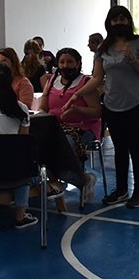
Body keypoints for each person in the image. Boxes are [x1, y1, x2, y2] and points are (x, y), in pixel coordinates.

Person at [64, 6, 139, 209]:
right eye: (115, 20)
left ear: (129, 21)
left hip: (136, 103)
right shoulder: (103, 49)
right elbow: (96, 78)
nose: (119, 23)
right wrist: (76, 94)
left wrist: (133, 60)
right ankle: (121, 190)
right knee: (120, 148)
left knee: (135, 147)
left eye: (123, 19)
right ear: (109, 23)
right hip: (112, 105)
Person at [0, 63, 38, 229]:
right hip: (13, 172)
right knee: (24, 159)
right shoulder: (21, 109)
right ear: (11, 81)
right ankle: (20, 215)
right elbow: (23, 143)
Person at [38, 47, 102, 204]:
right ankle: (72, 179)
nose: (65, 65)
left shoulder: (85, 83)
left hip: (82, 128)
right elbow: (43, 107)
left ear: (78, 63)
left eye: (70, 62)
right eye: (62, 62)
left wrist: (76, 109)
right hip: (55, 127)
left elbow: (96, 112)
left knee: (64, 146)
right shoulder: (52, 81)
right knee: (36, 146)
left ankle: (78, 180)